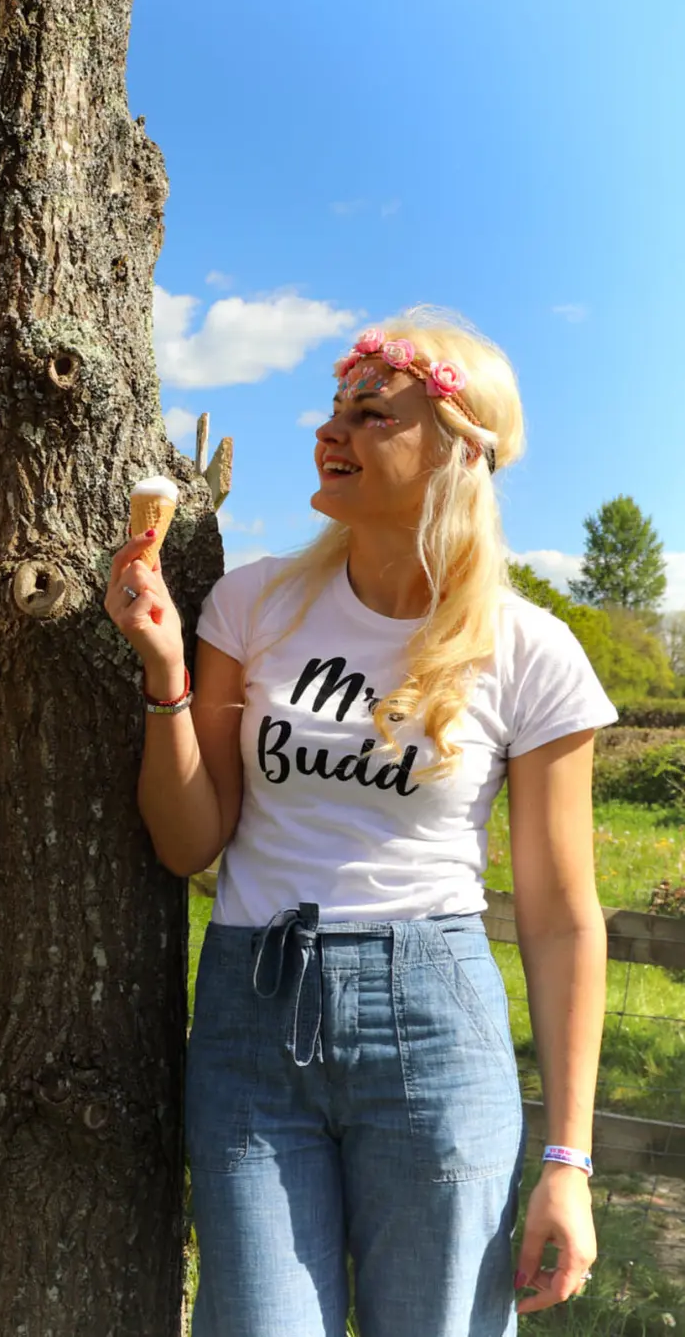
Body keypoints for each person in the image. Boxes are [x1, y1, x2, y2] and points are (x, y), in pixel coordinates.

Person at [106, 310, 614, 1337]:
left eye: (371, 415)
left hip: (433, 1022)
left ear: (457, 451)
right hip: (254, 1010)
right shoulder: (252, 605)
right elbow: (189, 841)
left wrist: (568, 1161)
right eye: (336, 409)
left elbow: (562, 919)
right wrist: (165, 676)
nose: (330, 433)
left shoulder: (533, 651)